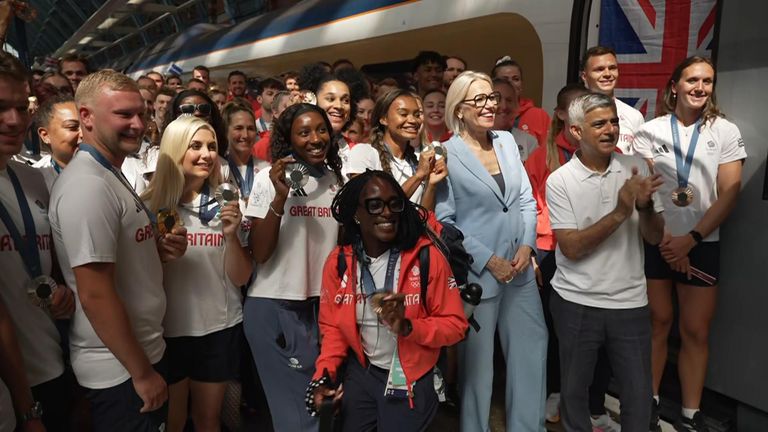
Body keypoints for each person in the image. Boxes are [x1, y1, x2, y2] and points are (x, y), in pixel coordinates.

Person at [49, 70, 188, 431]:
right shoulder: (87, 187)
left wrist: (153, 251)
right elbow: (95, 294)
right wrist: (141, 373)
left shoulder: (110, 172)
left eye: (141, 113)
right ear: (86, 117)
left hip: (139, 354)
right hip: (121, 369)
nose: (138, 124)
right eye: (124, 115)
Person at [632, 56, 747, 432]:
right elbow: (645, 191)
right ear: (674, 86)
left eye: (708, 81)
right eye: (692, 80)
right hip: (658, 240)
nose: (700, 87)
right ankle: (647, 403)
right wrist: (669, 243)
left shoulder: (725, 131)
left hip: (702, 242)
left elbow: (730, 193)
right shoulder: (649, 131)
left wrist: (692, 239)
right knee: (657, 321)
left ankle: (690, 413)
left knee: (696, 330)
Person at [308, 170, 468, 431]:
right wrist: (324, 376)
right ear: (356, 214)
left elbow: (455, 325)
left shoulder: (426, 259)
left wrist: (408, 327)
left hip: (410, 377)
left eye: (395, 203)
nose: (387, 212)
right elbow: (333, 328)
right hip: (363, 374)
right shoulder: (340, 262)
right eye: (374, 205)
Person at [546, 92, 665, 432]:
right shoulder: (560, 181)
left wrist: (643, 207)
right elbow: (571, 247)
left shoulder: (636, 166)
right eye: (599, 123)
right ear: (576, 132)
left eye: (613, 121)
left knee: (639, 396)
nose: (610, 129)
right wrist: (621, 210)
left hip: (630, 302)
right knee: (574, 393)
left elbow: (654, 238)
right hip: (576, 302)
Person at [435, 71, 547, 432]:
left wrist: (527, 244)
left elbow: (527, 200)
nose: (488, 106)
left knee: (531, 354)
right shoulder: (445, 154)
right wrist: (488, 259)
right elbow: (444, 220)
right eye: (478, 100)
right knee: (477, 369)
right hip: (479, 276)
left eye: (491, 98)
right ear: (459, 110)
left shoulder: (506, 142)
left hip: (520, 270)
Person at [141, 116, 252, 432]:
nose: (206, 154)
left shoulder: (226, 201)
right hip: (168, 331)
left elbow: (241, 278)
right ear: (175, 150)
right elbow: (140, 279)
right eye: (196, 146)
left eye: (212, 147)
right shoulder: (152, 205)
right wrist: (160, 257)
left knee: (208, 421)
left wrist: (231, 235)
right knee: (173, 423)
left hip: (219, 328)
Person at [242, 103, 344, 432]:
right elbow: (260, 252)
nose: (316, 138)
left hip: (320, 310)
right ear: (288, 139)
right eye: (304, 132)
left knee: (320, 410)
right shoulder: (267, 179)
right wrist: (279, 198)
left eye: (321, 130)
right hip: (274, 307)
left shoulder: (334, 182)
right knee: (296, 418)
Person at [0, 51, 76, 432]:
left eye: (20, 107)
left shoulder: (35, 179)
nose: (14, 120)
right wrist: (27, 409)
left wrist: (62, 290)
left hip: (54, 361)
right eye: (0, 107)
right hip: (11, 391)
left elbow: (56, 264)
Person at [345, 89, 444, 209]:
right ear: (383, 119)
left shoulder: (418, 161)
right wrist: (418, 176)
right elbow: (376, 207)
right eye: (403, 114)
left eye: (417, 115)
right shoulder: (364, 153)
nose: (413, 120)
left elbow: (424, 215)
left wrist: (432, 184)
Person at [580, 46, 645, 154]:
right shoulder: (574, 112)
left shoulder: (634, 115)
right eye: (599, 69)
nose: (607, 74)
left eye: (612, 68)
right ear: (584, 76)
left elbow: (640, 161)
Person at [299, 62, 366, 164]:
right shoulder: (298, 147)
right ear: (313, 101)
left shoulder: (357, 152)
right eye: (330, 99)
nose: (339, 106)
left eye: (346, 100)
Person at [492, 56, 550, 148]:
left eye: (516, 79)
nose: (511, 83)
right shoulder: (487, 112)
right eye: (505, 79)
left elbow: (548, 153)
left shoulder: (539, 115)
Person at [221, 102, 270, 200]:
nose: (245, 135)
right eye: (238, 128)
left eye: (250, 128)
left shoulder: (266, 169)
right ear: (226, 131)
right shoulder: (219, 169)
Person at [32, 94, 82, 190]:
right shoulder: (34, 181)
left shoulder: (115, 166)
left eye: (86, 126)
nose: (82, 134)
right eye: (72, 127)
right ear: (45, 135)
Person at [165, 89, 228, 157]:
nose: (197, 113)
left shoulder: (222, 165)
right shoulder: (156, 158)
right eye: (188, 109)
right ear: (175, 116)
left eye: (204, 108)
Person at [492, 78, 538, 162]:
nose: (504, 106)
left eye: (509, 100)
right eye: (497, 99)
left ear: (517, 106)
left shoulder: (528, 142)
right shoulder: (473, 141)